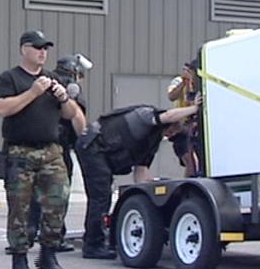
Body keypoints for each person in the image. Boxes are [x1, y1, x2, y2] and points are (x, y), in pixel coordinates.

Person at [0, 30, 83, 269]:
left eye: (46, 48)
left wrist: (63, 97)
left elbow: (70, 113)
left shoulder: (53, 78)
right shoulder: (10, 78)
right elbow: (1, 108)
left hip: (51, 151)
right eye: (37, 47)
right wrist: (33, 92)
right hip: (20, 150)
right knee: (19, 208)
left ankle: (48, 253)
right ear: (24, 50)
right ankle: (19, 260)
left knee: (58, 202)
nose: (43, 52)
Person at [75, 95, 203, 259]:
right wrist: (194, 108)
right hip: (92, 146)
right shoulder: (146, 115)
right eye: (172, 130)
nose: (171, 134)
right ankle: (93, 245)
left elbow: (140, 173)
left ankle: (95, 240)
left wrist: (150, 195)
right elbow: (168, 116)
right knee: (101, 195)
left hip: (102, 154)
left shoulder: (151, 143)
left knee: (103, 194)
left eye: (174, 134)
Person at [24, 55, 89, 253]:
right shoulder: (70, 89)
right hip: (59, 149)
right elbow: (77, 117)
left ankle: (28, 233)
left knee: (33, 193)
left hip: (34, 145)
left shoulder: (44, 81)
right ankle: (56, 236)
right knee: (58, 195)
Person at [166, 60, 201, 177]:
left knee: (196, 160)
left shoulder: (199, 83)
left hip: (196, 126)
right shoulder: (179, 81)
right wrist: (183, 83)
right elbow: (171, 96)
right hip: (182, 126)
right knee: (189, 160)